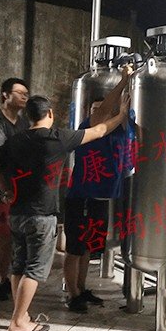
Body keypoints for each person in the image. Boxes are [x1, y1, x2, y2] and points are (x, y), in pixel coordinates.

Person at [0, 71, 131, 331]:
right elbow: (99, 129)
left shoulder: (15, 141)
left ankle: (21, 315)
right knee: (35, 269)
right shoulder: (58, 138)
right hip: (42, 215)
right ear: (49, 114)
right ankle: (18, 321)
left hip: (17, 213)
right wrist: (120, 115)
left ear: (29, 117)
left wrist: (6, 190)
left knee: (19, 265)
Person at [63, 73, 133, 312]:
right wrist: (124, 80)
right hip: (82, 196)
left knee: (87, 247)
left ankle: (81, 289)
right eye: (95, 109)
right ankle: (72, 294)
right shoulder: (88, 128)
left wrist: (125, 109)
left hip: (100, 198)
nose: (98, 112)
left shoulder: (119, 130)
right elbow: (105, 112)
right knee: (75, 248)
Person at [0, 78, 30, 301]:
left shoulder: (22, 122)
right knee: (1, 238)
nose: (24, 96)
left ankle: (3, 279)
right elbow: (2, 153)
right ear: (5, 95)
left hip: (17, 187)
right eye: (19, 92)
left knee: (10, 238)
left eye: (26, 93)